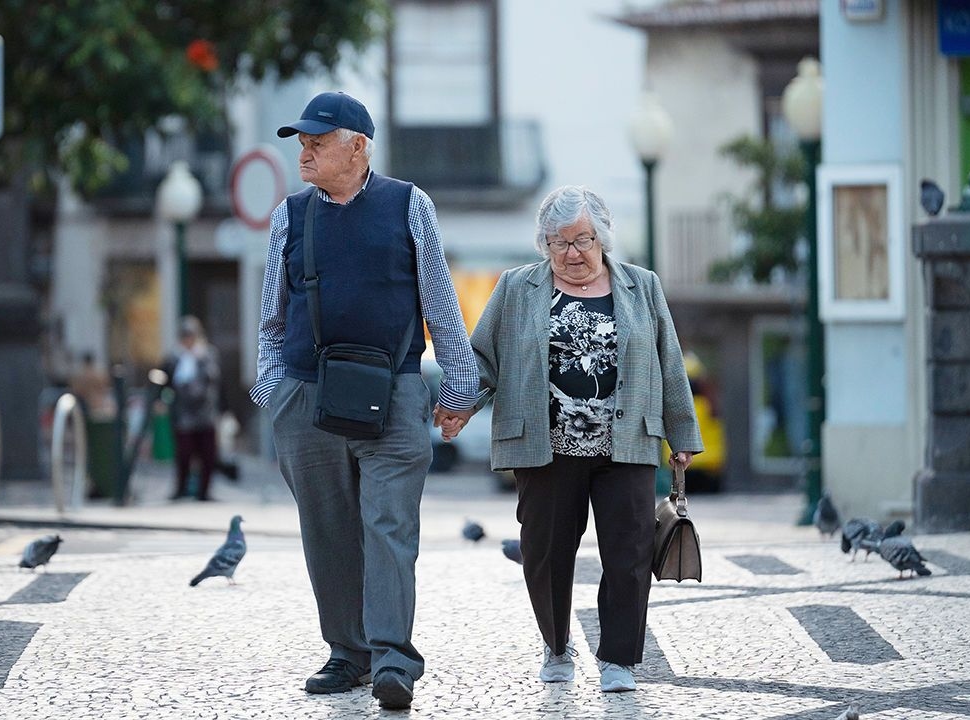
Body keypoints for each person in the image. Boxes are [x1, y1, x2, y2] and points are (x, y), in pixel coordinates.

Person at [250, 91, 478, 709]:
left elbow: (442, 307)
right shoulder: (290, 216)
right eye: (301, 141)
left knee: (389, 524)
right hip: (307, 394)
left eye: (317, 141)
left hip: (396, 390)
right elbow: (270, 317)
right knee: (326, 531)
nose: (304, 151)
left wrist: (457, 389)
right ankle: (346, 654)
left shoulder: (409, 204)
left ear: (358, 147)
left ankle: (392, 659)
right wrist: (272, 392)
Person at [455, 185, 703, 693]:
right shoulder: (515, 288)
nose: (571, 253)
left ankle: (618, 660)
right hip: (544, 446)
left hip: (626, 442)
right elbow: (483, 356)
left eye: (582, 240)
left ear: (603, 239)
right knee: (545, 552)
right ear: (543, 243)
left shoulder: (642, 286)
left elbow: (669, 362)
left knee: (629, 551)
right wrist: (460, 405)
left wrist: (682, 433)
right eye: (558, 242)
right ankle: (556, 643)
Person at [166, 315, 221, 501]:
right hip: (184, 413)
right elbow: (167, 381)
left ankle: (204, 491)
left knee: (207, 454)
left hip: (205, 411)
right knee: (184, 453)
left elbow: (214, 380)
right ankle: (181, 487)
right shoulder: (174, 357)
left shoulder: (207, 354)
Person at [69, 352, 116, 421]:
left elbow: (75, 390)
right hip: (96, 403)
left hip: (87, 405)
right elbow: (105, 387)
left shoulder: (80, 376)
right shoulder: (98, 375)